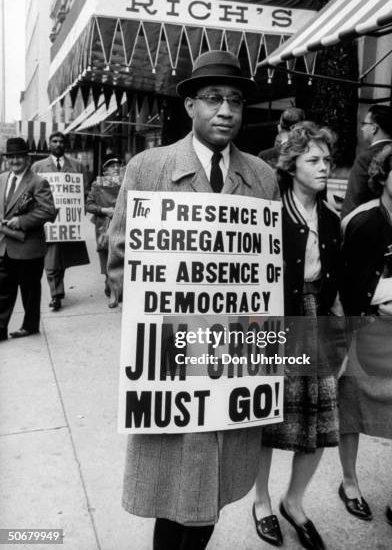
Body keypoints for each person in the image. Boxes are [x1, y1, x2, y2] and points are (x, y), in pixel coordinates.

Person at [108, 50, 280, 550]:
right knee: (176, 491)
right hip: (173, 359)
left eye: (235, 101)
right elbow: (120, 256)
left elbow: (265, 271)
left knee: (211, 494)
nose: (226, 110)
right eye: (212, 99)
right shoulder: (149, 167)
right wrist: (152, 325)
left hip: (232, 361)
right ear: (189, 106)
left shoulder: (262, 177)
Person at [253, 123, 344, 550]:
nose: (324, 167)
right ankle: (262, 503)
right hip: (274, 322)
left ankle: (295, 501)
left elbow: (335, 282)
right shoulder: (268, 212)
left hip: (316, 319)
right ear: (291, 166)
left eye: (327, 159)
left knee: (323, 421)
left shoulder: (331, 218)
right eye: (314, 160)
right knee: (266, 418)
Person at [338, 140, 392, 546]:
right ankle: (349, 483)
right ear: (383, 176)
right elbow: (349, 287)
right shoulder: (361, 221)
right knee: (350, 410)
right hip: (362, 332)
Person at [0, 138, 57, 341]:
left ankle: (30, 326)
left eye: (19, 156)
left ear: (27, 158)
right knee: (3, 290)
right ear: (7, 159)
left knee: (29, 291)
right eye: (11, 157)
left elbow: (49, 212)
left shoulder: (37, 181)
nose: (15, 160)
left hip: (28, 248)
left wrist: (21, 220)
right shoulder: (2, 178)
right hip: (5, 246)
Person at [31, 131, 90, 311]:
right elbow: (31, 192)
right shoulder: (38, 167)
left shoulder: (78, 166)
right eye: (54, 141)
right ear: (49, 144)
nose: (58, 144)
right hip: (48, 221)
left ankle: (59, 286)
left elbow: (85, 191)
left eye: (61, 141)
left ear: (66, 145)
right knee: (51, 260)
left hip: (68, 221)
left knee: (61, 259)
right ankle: (55, 295)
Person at [341, 104, 392, 218]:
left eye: (364, 124)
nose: (362, 128)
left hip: (365, 224)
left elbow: (354, 199)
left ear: (374, 128)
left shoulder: (365, 158)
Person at [85, 156, 121, 308]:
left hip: (121, 225)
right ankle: (111, 287)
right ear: (105, 170)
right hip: (103, 227)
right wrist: (104, 210)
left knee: (119, 256)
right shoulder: (96, 185)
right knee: (106, 257)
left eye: (118, 164)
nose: (116, 168)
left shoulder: (125, 182)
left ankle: (115, 290)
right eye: (111, 165)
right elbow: (88, 205)